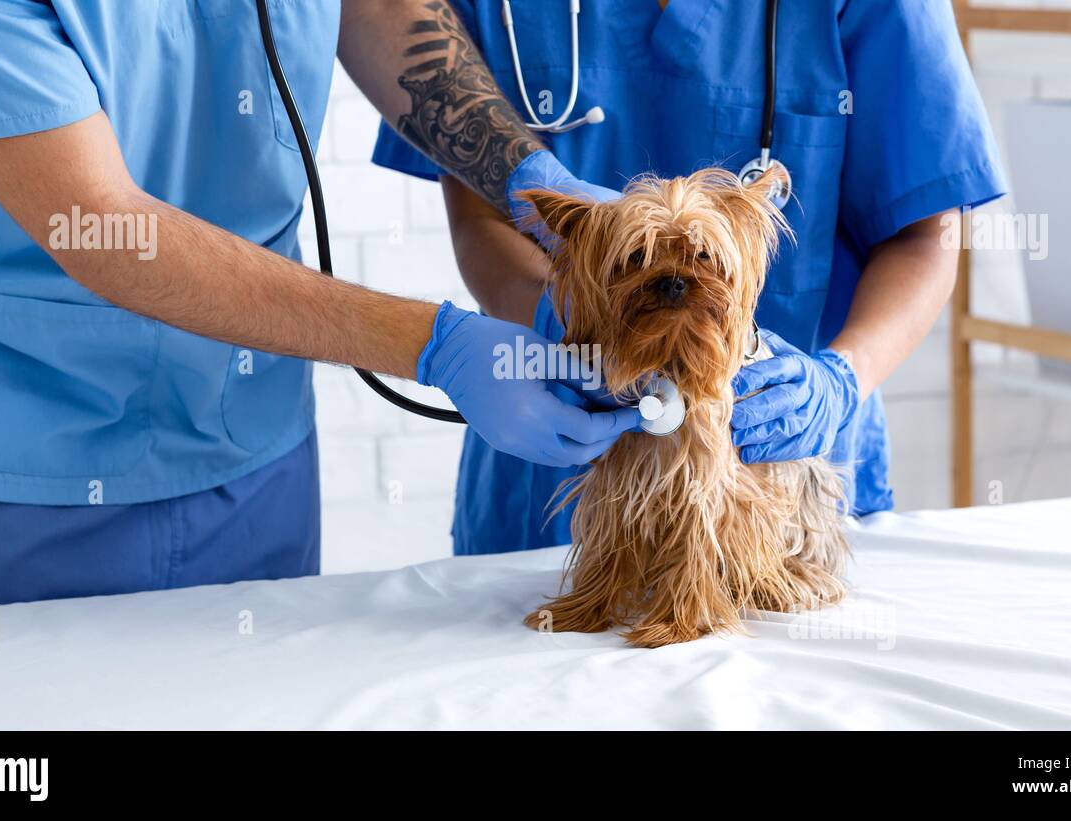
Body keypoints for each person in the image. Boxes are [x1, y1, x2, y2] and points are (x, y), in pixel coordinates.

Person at [0, 0, 639, 606]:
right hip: (4, 480)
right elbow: (98, 224)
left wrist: (524, 169)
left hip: (249, 450)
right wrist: (433, 343)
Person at [372, 0, 1006, 555]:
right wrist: (551, 321)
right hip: (559, 450)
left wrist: (841, 382)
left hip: (785, 463)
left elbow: (926, 233)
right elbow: (481, 213)